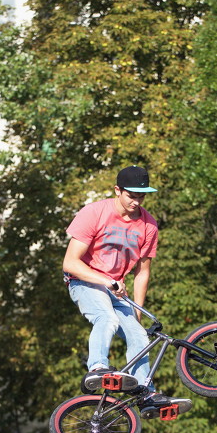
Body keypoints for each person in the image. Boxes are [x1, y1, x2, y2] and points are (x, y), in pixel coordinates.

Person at [62, 165, 178, 411]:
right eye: (131, 196)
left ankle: (145, 393)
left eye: (141, 197)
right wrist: (105, 280)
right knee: (107, 318)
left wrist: (137, 315)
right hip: (84, 282)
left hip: (116, 289)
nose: (136, 202)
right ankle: (97, 368)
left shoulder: (148, 226)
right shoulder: (94, 213)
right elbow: (70, 263)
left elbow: (142, 273)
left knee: (139, 335)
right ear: (117, 190)